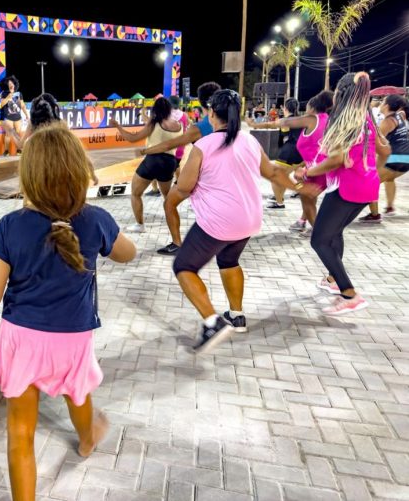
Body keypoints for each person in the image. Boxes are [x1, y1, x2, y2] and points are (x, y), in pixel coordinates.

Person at [0, 122, 136, 501]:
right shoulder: (95, 219)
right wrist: (103, 237)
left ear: (28, 176)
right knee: (78, 394)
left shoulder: (10, 227)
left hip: (23, 338)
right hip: (73, 338)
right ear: (79, 170)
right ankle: (88, 438)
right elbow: (128, 253)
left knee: (20, 433)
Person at [167, 89, 317, 353]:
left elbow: (186, 186)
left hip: (219, 222)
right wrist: (300, 188)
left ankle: (213, 322)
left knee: (184, 266)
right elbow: (272, 171)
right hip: (248, 220)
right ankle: (236, 316)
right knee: (228, 261)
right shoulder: (249, 141)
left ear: (211, 114)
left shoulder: (203, 146)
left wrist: (173, 197)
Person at [295, 72, 390, 314]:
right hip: (366, 187)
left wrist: (308, 172)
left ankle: (349, 294)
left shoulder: (346, 121)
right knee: (334, 232)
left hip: (347, 189)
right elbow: (385, 149)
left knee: (319, 240)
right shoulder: (365, 118)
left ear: (342, 93)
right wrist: (370, 170)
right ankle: (333, 279)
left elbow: (336, 159)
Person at [138, 82, 222, 254]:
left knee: (169, 203)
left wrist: (146, 150)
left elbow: (170, 143)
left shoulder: (201, 127)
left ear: (200, 102)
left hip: (200, 174)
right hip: (220, 175)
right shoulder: (229, 124)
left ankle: (177, 243)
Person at [249, 90, 334, 236]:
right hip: (319, 168)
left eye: (307, 106)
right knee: (305, 194)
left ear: (312, 107)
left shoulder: (312, 119)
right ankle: (304, 222)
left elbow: (285, 122)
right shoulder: (328, 120)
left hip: (316, 170)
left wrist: (255, 125)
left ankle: (319, 233)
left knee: (305, 194)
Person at [111, 97, 182, 233]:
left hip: (153, 161)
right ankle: (174, 230)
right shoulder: (179, 125)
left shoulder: (154, 123)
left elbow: (132, 138)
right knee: (168, 199)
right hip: (170, 163)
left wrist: (117, 126)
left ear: (155, 110)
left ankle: (140, 225)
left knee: (136, 193)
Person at [358, 94, 409, 221]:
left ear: (386, 105)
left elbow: (375, 140)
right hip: (406, 159)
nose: (380, 102)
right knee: (389, 179)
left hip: (395, 157)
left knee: (369, 182)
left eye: (382, 101)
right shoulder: (400, 116)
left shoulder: (388, 121)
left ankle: (374, 215)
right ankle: (390, 207)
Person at [0, 76, 29, 156]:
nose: (11, 84)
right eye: (9, 83)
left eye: (12, 83)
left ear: (15, 84)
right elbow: (2, 104)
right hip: (8, 117)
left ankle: (19, 149)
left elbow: (22, 105)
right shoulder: (4, 93)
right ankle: (6, 151)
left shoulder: (19, 94)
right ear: (7, 85)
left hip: (18, 117)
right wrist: (10, 95)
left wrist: (26, 114)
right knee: (8, 134)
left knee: (18, 134)